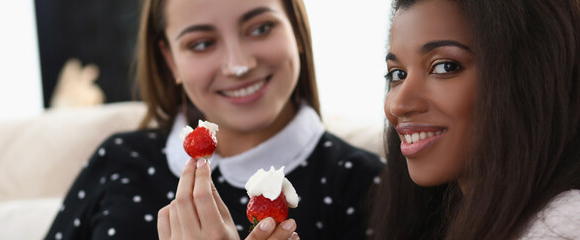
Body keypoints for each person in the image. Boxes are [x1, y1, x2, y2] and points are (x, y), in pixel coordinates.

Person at [43, 0, 384, 239]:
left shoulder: (369, 186)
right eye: (203, 43)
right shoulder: (119, 160)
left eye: (261, 27)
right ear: (170, 59)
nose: (238, 64)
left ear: (296, 28)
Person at [368, 0, 580, 239]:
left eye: (445, 66)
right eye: (397, 74)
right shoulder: (456, 216)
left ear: (538, 79)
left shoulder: (573, 225)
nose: (398, 104)